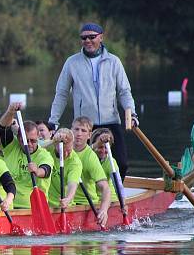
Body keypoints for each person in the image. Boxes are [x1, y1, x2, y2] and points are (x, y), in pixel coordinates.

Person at [48, 22, 137, 176]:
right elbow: (62, 93)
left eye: (92, 37)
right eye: (84, 38)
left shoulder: (114, 61)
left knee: (121, 163)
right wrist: (53, 121)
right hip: (85, 125)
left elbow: (124, 91)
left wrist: (132, 114)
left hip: (111, 122)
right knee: (83, 166)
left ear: (101, 37)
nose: (87, 41)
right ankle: (91, 195)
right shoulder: (72, 62)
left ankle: (114, 195)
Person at [0, 102, 52, 209]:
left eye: (33, 141)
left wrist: (37, 171)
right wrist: (10, 111)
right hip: (9, 206)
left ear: (38, 137)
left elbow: (46, 170)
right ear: (18, 139)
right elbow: (3, 127)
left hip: (33, 208)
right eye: (25, 141)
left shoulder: (44, 155)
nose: (30, 144)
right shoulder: (11, 146)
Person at [69, 117, 111, 227]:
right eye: (76, 129)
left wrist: (103, 210)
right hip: (63, 202)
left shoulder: (90, 157)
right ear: (71, 131)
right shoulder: (61, 149)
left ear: (89, 135)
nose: (79, 134)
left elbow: (105, 188)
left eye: (83, 131)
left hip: (85, 204)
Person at [47, 128, 83, 212]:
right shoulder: (49, 148)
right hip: (45, 204)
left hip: (63, 206)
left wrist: (68, 199)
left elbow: (72, 184)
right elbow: (35, 146)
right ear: (55, 145)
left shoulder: (75, 162)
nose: (65, 154)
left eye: (68, 150)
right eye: (62, 151)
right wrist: (53, 141)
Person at [90, 128, 120, 203]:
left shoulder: (111, 162)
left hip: (110, 201)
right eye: (100, 147)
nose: (103, 151)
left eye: (106, 147)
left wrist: (123, 202)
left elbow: (118, 184)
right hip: (93, 200)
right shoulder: (87, 157)